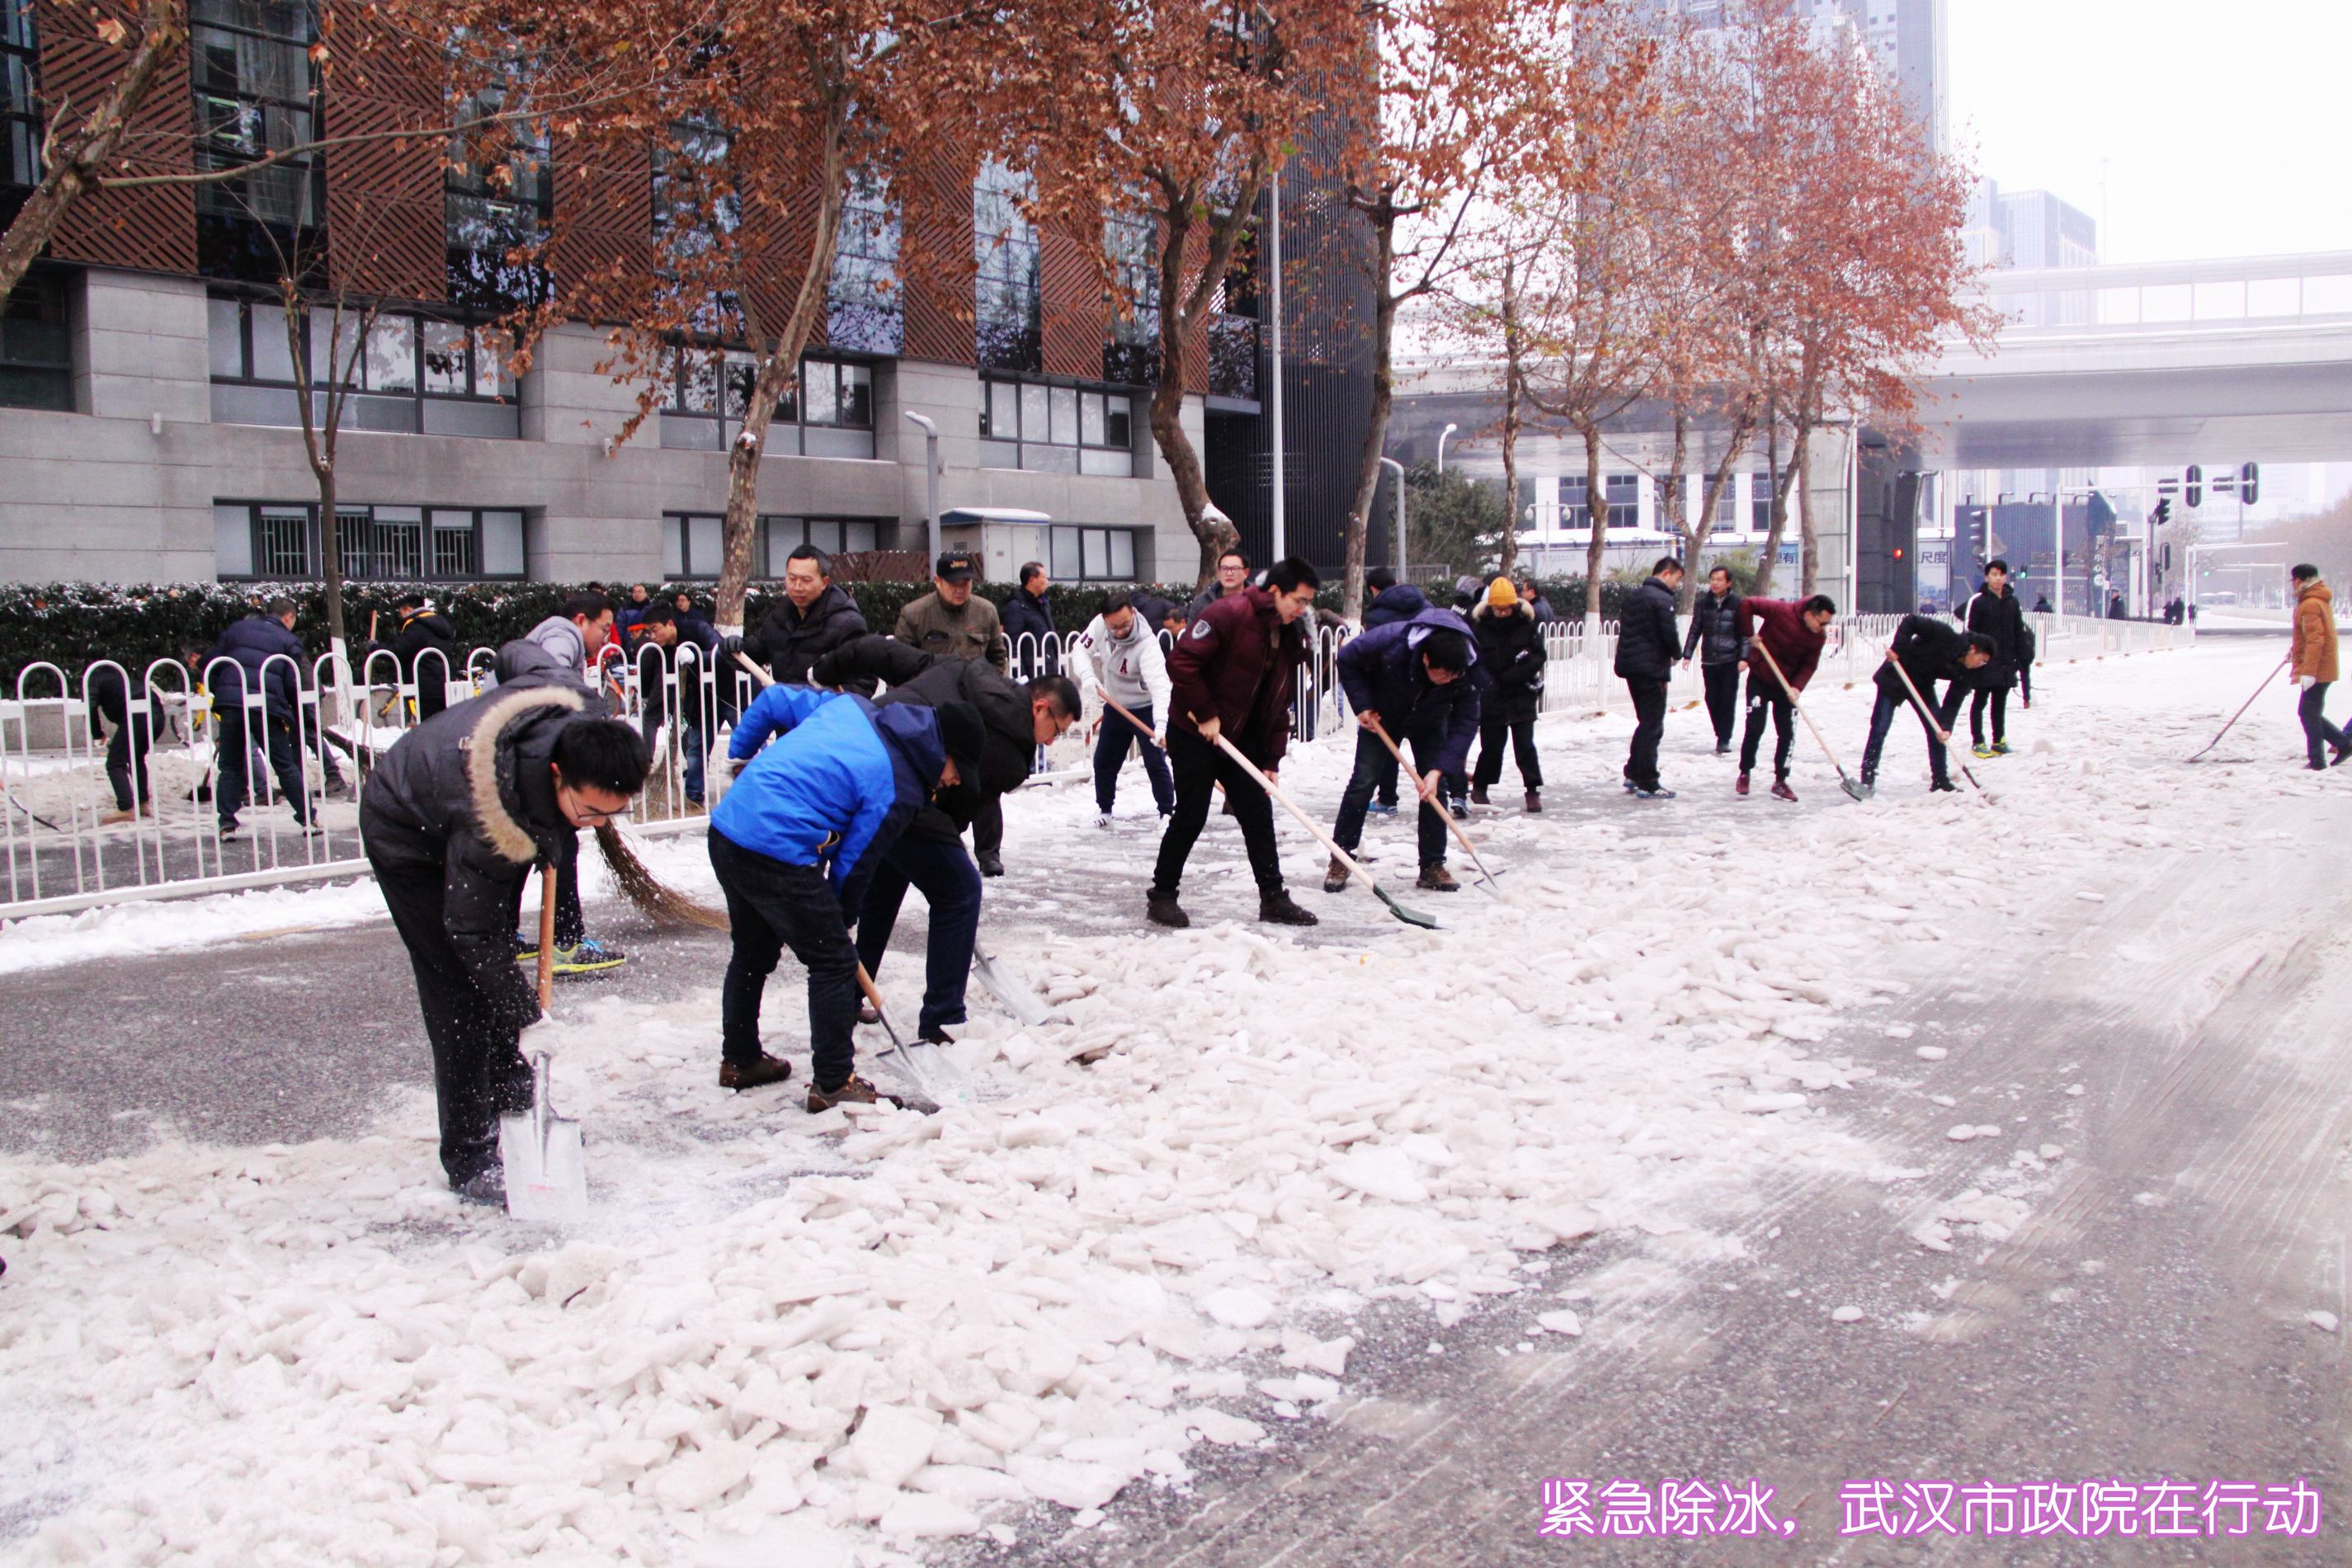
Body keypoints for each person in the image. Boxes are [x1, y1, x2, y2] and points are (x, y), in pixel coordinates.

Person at [361, 681, 649, 1201]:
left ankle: (517, 1101)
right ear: (557, 774)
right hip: (407, 831)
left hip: (473, 809)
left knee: (492, 971)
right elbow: (472, 934)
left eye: (613, 813)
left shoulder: (580, 719)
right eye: (589, 812)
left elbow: (521, 660)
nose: (599, 824)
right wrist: (529, 1018)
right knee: (458, 990)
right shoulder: (491, 818)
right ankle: (469, 1153)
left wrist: (561, 830)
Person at [709, 682, 983, 1109]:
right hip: (777, 849)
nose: (955, 780)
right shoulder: (899, 784)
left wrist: (740, 755)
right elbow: (856, 863)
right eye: (958, 768)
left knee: (752, 951)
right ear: (941, 750)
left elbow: (775, 699)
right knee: (834, 961)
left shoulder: (850, 707)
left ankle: (741, 1059)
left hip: (730, 829)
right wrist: (839, 918)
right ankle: (835, 1082)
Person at [812, 636, 1080, 1043]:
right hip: (904, 794)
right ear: (1040, 708)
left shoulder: (960, 668)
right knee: (959, 891)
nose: (1051, 742)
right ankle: (943, 1017)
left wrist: (827, 669)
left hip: (861, 767)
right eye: (1056, 731)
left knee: (887, 884)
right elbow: (958, 806)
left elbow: (882, 652)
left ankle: (846, 999)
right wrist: (949, 852)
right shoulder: (1011, 758)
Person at [1149, 557, 1322, 929]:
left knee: (1257, 815)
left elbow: (1278, 699)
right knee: (1192, 814)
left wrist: (1271, 759)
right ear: (1275, 591)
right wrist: (1206, 712)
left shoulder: (1288, 632)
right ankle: (1162, 895)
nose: (1302, 609)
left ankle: (1273, 898)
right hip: (1194, 731)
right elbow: (1181, 663)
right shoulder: (1227, 613)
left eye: (1307, 602)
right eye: (1299, 600)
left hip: (1243, 737)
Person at [493, 593, 628, 976]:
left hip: (508, 750)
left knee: (523, 845)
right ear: (581, 620)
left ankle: (504, 935)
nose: (606, 638)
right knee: (560, 842)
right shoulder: (561, 635)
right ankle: (567, 943)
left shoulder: (549, 637)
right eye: (604, 628)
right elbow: (551, 687)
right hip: (517, 753)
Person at [1328, 606, 1481, 893]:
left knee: (1436, 790)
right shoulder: (1392, 640)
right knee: (1363, 782)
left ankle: (1432, 865)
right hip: (1382, 718)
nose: (1447, 680)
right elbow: (1347, 658)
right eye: (1441, 674)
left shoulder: (1468, 668)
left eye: (1453, 676)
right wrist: (1362, 705)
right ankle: (1341, 858)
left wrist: (1439, 770)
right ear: (1425, 658)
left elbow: (1466, 721)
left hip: (1431, 721)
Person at [205, 599, 327, 837]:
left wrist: (222, 693)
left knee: (230, 765)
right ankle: (307, 819)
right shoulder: (288, 640)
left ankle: (227, 824)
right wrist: (298, 715)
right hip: (266, 707)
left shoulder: (237, 629)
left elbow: (213, 663)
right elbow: (293, 683)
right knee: (284, 765)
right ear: (289, 617)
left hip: (232, 705)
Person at [1859, 615, 1994, 795]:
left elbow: (1953, 702)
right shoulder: (1945, 635)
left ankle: (1940, 780)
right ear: (1973, 649)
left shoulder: (1967, 673)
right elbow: (1911, 622)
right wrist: (1898, 649)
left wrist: (1946, 727)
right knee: (1880, 726)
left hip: (1922, 684)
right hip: (1897, 674)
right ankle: (1867, 778)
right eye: (1981, 659)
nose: (1981, 665)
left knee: (1936, 728)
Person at [1072, 591, 1175, 825]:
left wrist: (1161, 724)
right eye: (1114, 627)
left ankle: (1167, 812)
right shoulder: (1100, 625)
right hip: (1116, 705)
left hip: (1145, 708)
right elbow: (1080, 649)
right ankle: (1104, 810)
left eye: (1125, 625)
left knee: (1155, 763)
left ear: (1133, 613)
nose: (1120, 631)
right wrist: (1087, 675)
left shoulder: (1147, 645)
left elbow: (1160, 686)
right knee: (1104, 761)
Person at [1734, 594, 1836, 801]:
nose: (1824, 628)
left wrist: (1797, 687)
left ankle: (1781, 781)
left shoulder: (1818, 637)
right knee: (1755, 726)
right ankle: (1745, 772)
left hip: (1786, 686)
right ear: (1809, 615)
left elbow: (1809, 665)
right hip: (1761, 677)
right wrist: (1750, 634)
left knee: (1787, 733)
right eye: (1822, 622)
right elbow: (1747, 604)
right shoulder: (1781, 611)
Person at [741, 544, 870, 688]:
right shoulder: (779, 618)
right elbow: (753, 652)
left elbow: (863, 683)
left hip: (826, 702)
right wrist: (734, 647)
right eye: (792, 579)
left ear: (824, 583)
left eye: (806, 580)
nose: (797, 587)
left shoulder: (847, 623)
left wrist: (822, 698)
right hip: (785, 702)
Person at [1470, 577, 1545, 811]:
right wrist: (1488, 682)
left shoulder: (1527, 625)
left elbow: (1538, 656)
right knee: (1492, 746)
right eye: (1498, 609)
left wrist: (1516, 675)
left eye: (1506, 609)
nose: (1502, 613)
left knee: (1525, 746)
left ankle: (1532, 789)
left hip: (1521, 693)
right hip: (1492, 694)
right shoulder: (1480, 628)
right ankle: (1480, 787)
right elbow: (1474, 661)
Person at [1362, 567, 1431, 816]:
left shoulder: (1376, 615)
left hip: (1389, 692)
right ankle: (1435, 803)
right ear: (1397, 581)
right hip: (1425, 691)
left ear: (1373, 589)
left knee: (1388, 749)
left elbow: (1370, 657)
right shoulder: (1425, 606)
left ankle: (1387, 798)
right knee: (1429, 755)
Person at [1615, 557, 1684, 799]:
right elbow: (1669, 632)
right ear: (1666, 574)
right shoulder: (1662, 599)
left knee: (1645, 722)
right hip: (1652, 669)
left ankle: (1633, 772)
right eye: (1677, 579)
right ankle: (1648, 781)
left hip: (1631, 667)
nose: (1677, 585)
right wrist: (1677, 653)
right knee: (1652, 726)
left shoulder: (1634, 596)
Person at [895, 551, 1009, 670]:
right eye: (953, 584)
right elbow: (901, 662)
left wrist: (990, 680)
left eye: (965, 584)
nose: (959, 590)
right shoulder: (914, 615)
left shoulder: (986, 611)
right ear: (938, 581)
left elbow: (998, 658)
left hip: (975, 681)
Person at [1962, 560, 2027, 758]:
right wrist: (1975, 655)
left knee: (1999, 702)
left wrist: (2021, 656)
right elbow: (1970, 632)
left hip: (2006, 662)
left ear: (2005, 577)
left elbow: (2018, 630)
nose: (1998, 578)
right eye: (1994, 574)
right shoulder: (1979, 601)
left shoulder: (2012, 602)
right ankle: (1978, 741)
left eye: (2001, 574)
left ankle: (1999, 741)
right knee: (1980, 701)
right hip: (1984, 662)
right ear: (1987, 577)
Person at [2288, 563, 2350, 770]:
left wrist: (2309, 672)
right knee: (2309, 712)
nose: (2292, 584)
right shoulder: (2317, 600)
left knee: (2308, 713)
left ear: (2299, 580)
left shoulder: (2310, 604)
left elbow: (2316, 640)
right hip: (2321, 666)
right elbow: (2307, 636)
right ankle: (2342, 743)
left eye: (2293, 580)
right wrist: (2295, 651)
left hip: (2317, 669)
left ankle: (2318, 760)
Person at [1680, 565, 1746, 755]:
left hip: (1730, 659)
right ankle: (1720, 732)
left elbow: (1745, 633)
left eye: (1719, 579)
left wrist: (1744, 657)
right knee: (1711, 698)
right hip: (1709, 659)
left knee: (1727, 699)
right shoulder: (1703, 604)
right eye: (1713, 579)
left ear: (1728, 583)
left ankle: (1724, 739)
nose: (1715, 583)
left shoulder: (1738, 604)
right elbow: (1695, 629)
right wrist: (1687, 654)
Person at [385, 592, 459, 722]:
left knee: (430, 725)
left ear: (408, 610)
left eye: (401, 612)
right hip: (441, 682)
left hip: (426, 686)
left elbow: (398, 650)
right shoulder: (436, 624)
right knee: (441, 723)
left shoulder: (417, 627)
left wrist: (375, 648)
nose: (401, 616)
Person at [1002, 562, 1059, 677]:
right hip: (1032, 673)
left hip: (1050, 668)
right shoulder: (1015, 607)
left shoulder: (1043, 603)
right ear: (1032, 580)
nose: (1047, 581)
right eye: (1044, 578)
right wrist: (1022, 679)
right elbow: (1013, 647)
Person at [1185, 549, 1250, 622]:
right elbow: (1192, 628)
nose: (1229, 573)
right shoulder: (1203, 601)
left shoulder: (1257, 600)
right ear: (1219, 572)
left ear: (1246, 573)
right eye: (1224, 568)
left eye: (1234, 569)